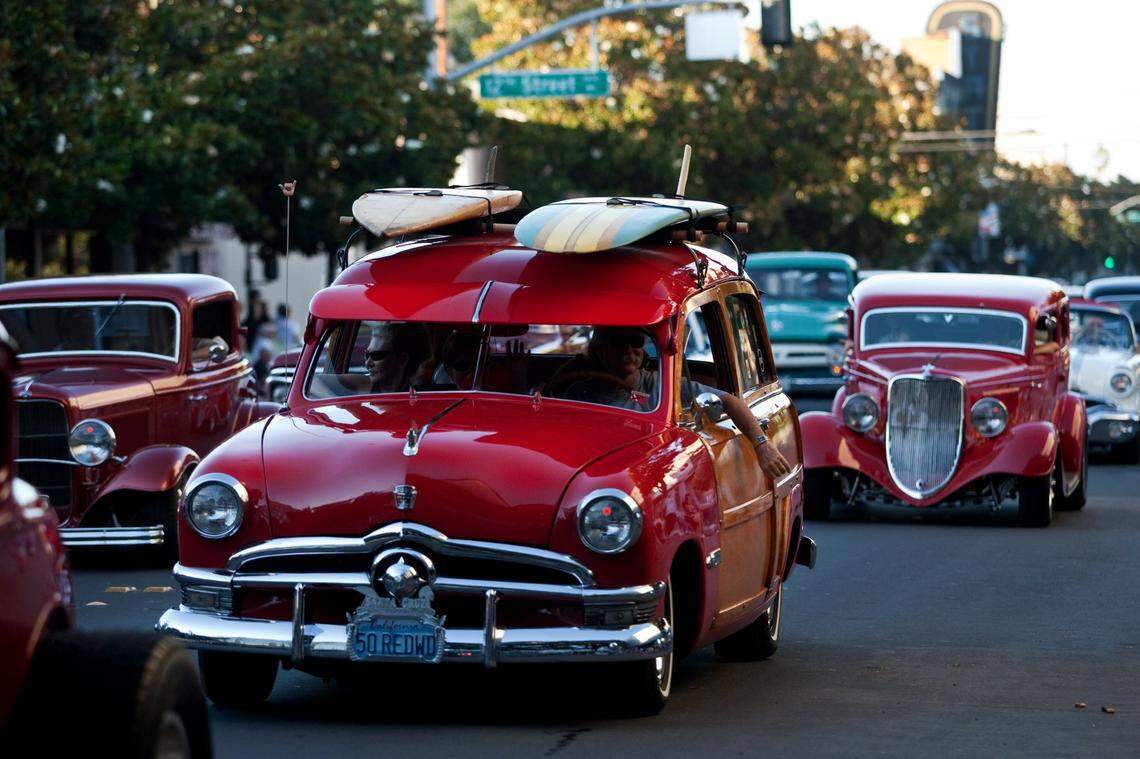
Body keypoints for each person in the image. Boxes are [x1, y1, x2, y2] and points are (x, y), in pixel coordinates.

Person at [554, 327, 791, 480]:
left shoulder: (664, 385)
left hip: (653, 468)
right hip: (598, 471)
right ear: (600, 349)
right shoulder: (581, 392)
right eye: (617, 342)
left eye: (635, 341)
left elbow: (730, 401)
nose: (628, 350)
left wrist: (763, 445)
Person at [363, 322, 430, 393]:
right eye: (367, 354)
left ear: (402, 359)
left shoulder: (423, 397)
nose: (367, 363)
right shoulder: (364, 387)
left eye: (377, 355)